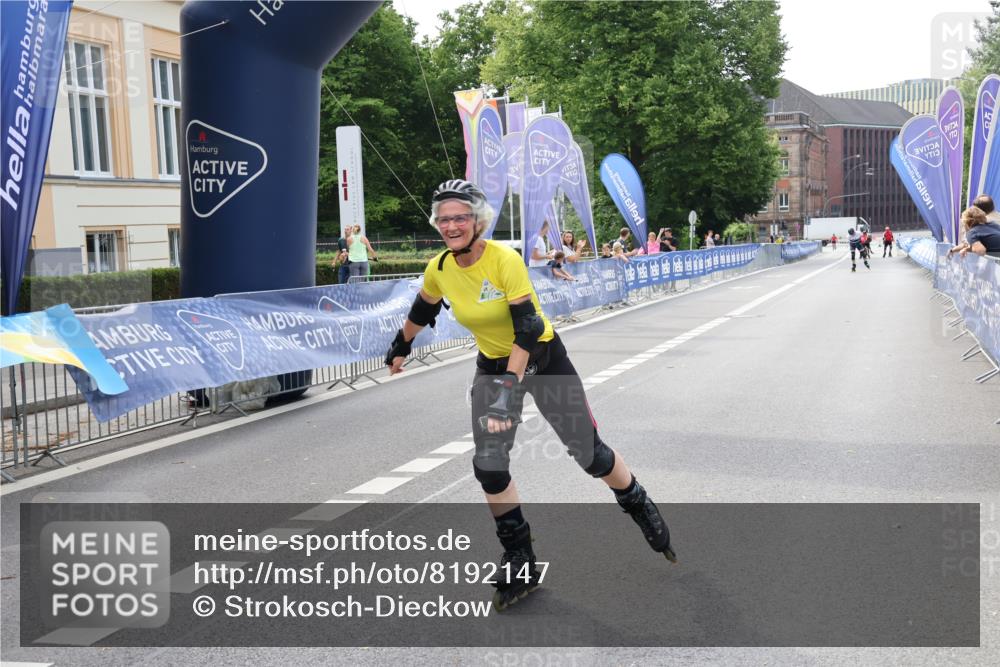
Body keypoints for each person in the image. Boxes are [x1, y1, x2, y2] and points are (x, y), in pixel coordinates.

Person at [385, 180, 675, 611]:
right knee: (489, 465)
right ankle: (520, 556)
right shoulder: (440, 267)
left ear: (478, 219)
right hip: (493, 365)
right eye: (443, 219)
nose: (451, 225)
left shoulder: (504, 259)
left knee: (590, 455)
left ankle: (636, 500)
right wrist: (401, 344)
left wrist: (509, 387)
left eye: (459, 217)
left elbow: (527, 327)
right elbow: (424, 307)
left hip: (542, 359)